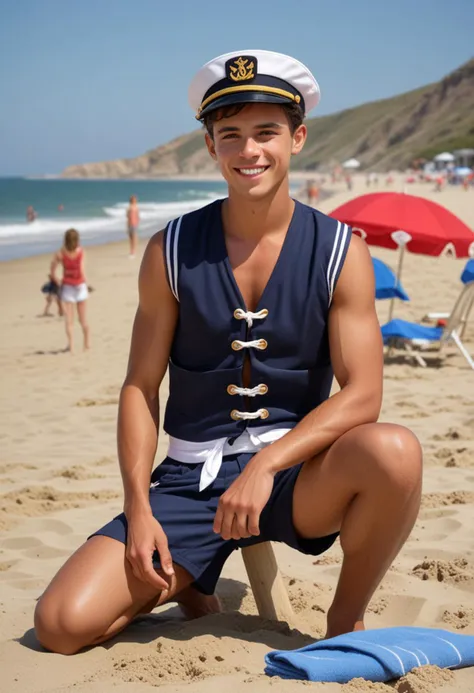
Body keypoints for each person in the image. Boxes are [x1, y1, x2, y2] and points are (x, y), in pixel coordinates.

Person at [34, 49, 422, 655]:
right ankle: (191, 580)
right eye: (230, 135)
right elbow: (140, 387)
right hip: (192, 480)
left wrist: (267, 467)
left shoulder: (342, 251)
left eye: (266, 132)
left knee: (395, 452)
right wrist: (139, 509)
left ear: (296, 137)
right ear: (211, 147)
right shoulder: (169, 248)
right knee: (60, 626)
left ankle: (345, 620)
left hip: (298, 477)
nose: (249, 151)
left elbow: (365, 393)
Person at [50, 228, 90, 353]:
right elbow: (82, 271)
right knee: (83, 319)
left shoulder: (60, 253)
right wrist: (86, 283)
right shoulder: (80, 252)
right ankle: (86, 344)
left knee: (69, 320)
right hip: (80, 286)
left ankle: (71, 346)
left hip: (67, 287)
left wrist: (56, 279)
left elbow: (52, 269)